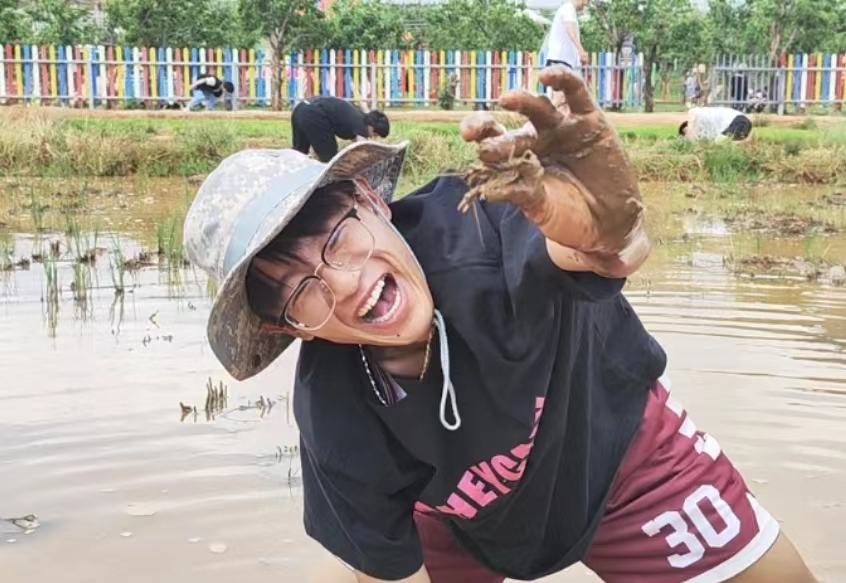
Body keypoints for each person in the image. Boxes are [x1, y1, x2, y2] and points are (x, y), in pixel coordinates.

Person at [183, 67, 817, 583]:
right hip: (460, 516)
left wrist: (612, 231)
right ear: (287, 329)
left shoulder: (478, 227)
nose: (343, 284)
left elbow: (591, 250)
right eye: (297, 292)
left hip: (619, 449)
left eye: (335, 236)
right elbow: (385, 569)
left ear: (371, 200)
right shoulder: (335, 414)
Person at [291, 95, 390, 163]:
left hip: (301, 108)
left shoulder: (358, 115)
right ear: (372, 128)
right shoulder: (361, 126)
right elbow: (361, 149)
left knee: (299, 153)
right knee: (329, 158)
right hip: (314, 113)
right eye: (375, 135)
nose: (372, 137)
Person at [545, 0, 588, 73]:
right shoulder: (568, 8)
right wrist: (581, 50)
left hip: (562, 61)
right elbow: (570, 29)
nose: (586, 3)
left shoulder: (569, 9)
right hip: (560, 61)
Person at [679, 106, 753, 142]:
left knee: (719, 143)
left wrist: (690, 137)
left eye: (686, 131)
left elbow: (691, 119)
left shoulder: (695, 113)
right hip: (742, 123)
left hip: (737, 120)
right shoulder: (708, 131)